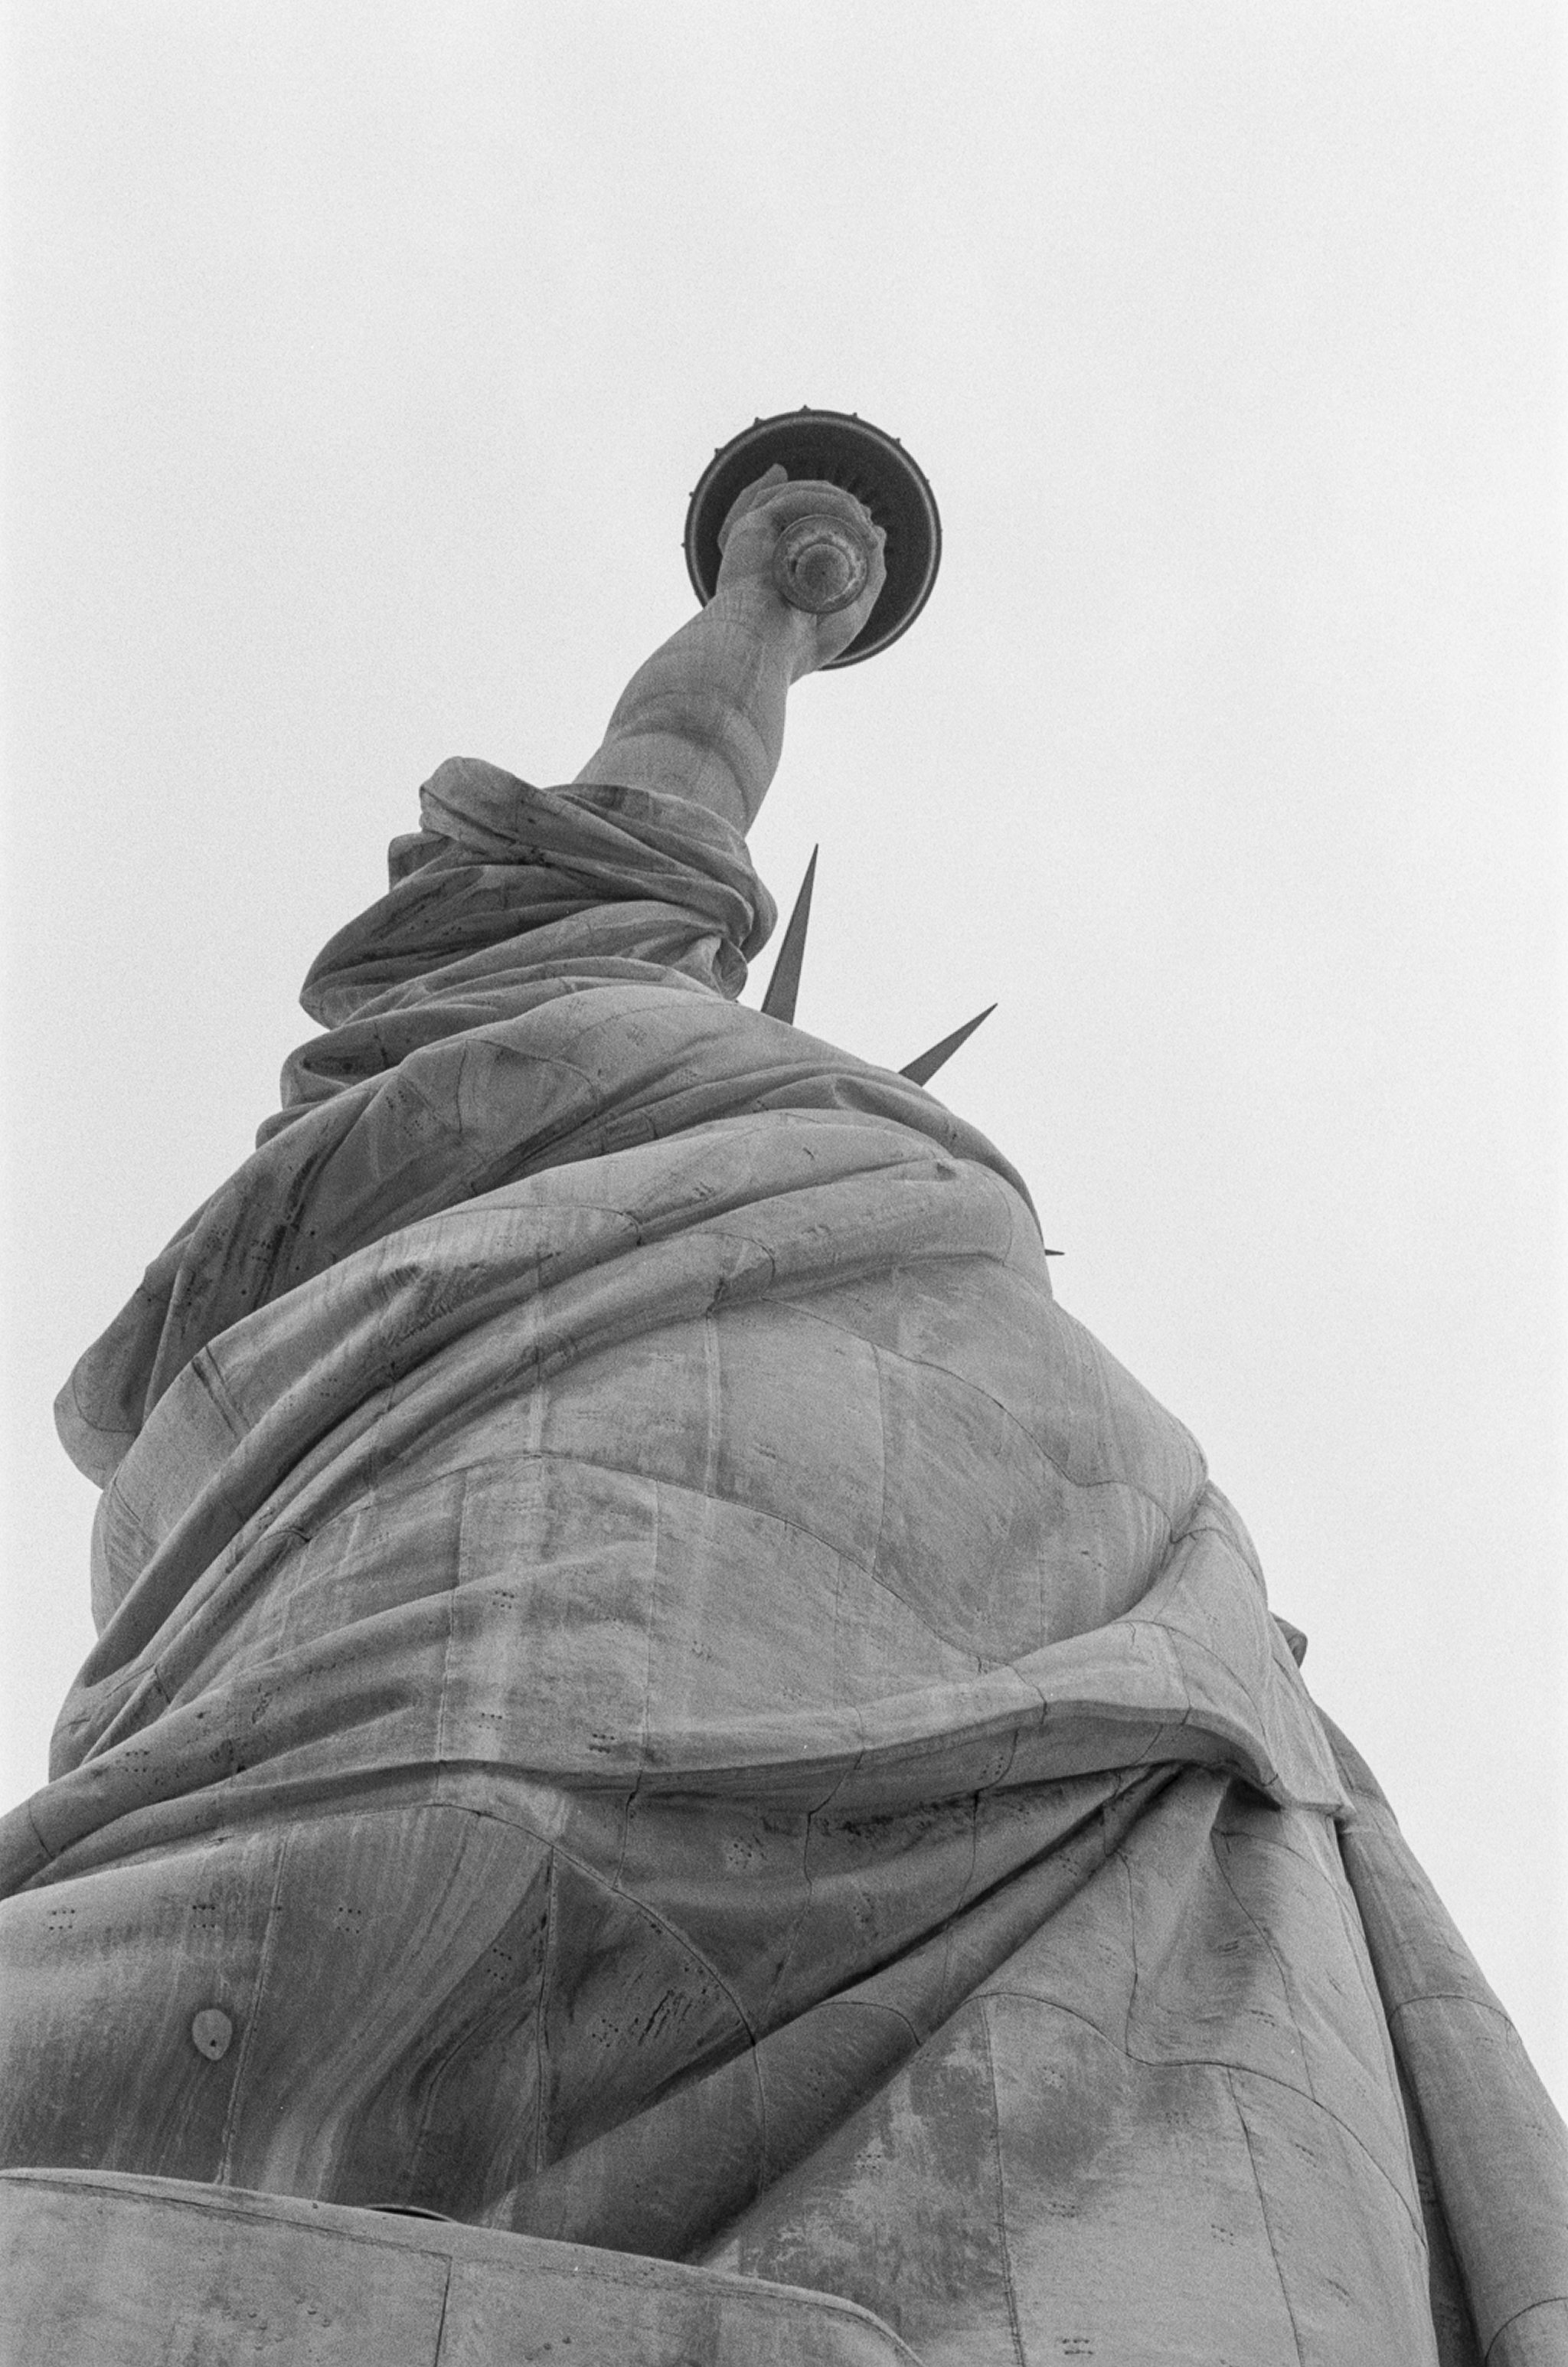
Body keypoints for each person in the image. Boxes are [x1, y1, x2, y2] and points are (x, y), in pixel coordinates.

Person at [3, 474, 1563, 2365]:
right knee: (400, 1891)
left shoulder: (591, 1051)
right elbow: (675, 759)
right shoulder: (544, 1023)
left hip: (1084, 1612)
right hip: (534, 1500)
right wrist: (771, 606)